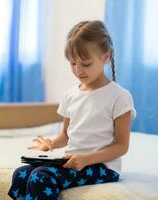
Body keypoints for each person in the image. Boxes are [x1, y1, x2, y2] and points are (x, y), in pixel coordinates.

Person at [8, 20, 136, 200]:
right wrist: (51, 144)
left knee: (40, 178)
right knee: (21, 174)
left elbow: (122, 146)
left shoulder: (119, 96)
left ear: (106, 57)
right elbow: (66, 135)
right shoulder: (70, 95)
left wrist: (87, 159)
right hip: (73, 162)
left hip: (102, 166)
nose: (78, 70)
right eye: (73, 63)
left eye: (85, 64)